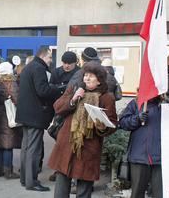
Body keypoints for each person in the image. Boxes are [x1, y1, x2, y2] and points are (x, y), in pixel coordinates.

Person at [49, 61, 118, 198]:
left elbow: (112, 123)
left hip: (88, 148)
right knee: (62, 186)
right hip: (67, 145)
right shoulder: (75, 88)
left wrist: (102, 126)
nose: (86, 78)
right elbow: (57, 107)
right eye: (85, 75)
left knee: (84, 189)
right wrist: (73, 99)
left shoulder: (106, 98)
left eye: (91, 76)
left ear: (99, 81)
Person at [16, 47, 60, 192]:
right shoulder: (39, 68)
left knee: (26, 148)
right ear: (44, 56)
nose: (51, 61)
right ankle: (32, 182)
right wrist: (58, 89)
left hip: (26, 114)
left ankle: (25, 179)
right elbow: (43, 91)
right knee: (34, 150)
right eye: (50, 58)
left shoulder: (28, 67)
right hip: (35, 115)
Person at [119, 95, 163, 198]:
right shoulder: (136, 103)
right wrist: (136, 119)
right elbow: (122, 123)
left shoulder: (165, 105)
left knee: (160, 194)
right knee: (137, 193)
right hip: (139, 157)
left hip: (160, 159)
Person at [48, 51, 80, 182]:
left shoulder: (79, 72)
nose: (66, 66)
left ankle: (70, 169)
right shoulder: (56, 72)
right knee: (58, 139)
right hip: (59, 109)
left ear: (75, 63)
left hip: (73, 110)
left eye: (69, 64)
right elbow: (50, 88)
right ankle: (59, 168)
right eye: (64, 63)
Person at [0, 62, 22, 180]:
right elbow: (17, 99)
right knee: (8, 144)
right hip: (8, 114)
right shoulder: (11, 82)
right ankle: (8, 171)